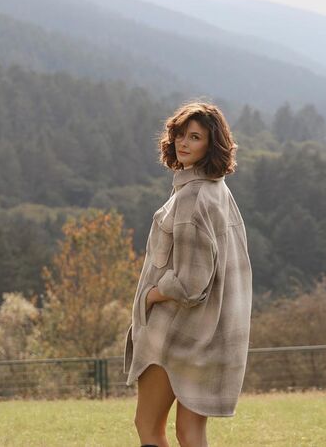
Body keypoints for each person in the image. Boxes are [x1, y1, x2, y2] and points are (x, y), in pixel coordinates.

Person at [123, 101, 253, 447]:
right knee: (190, 431)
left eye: (195, 137)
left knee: (148, 426)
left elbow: (191, 285)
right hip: (211, 334)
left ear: (212, 145)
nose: (183, 142)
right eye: (180, 134)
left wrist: (150, 296)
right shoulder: (217, 190)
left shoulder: (192, 199)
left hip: (176, 335)